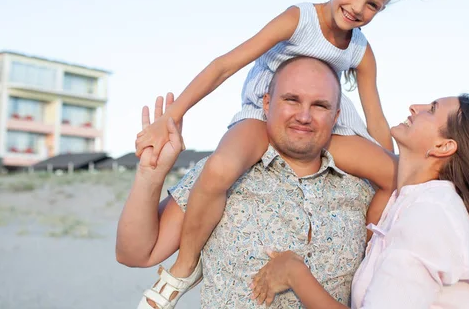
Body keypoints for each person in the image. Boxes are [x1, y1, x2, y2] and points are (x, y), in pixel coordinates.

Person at [132, 0, 422, 307]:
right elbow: (224, 65)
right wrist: (172, 115)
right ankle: (185, 266)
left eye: (372, 5)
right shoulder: (299, 18)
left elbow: (376, 117)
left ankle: (369, 258)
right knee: (218, 170)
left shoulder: (362, 51)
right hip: (264, 112)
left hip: (322, 122)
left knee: (394, 175)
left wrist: (387, 159)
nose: (358, 8)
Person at [117, 57, 378, 308]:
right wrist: (151, 174)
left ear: (336, 116)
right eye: (291, 100)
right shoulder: (221, 175)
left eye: (320, 105)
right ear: (266, 104)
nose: (304, 116)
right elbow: (136, 253)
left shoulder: (362, 190)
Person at [250, 94, 469, 308]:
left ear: (444, 147)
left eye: (431, 109)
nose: (415, 106)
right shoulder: (405, 201)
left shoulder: (430, 214)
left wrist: (295, 273)